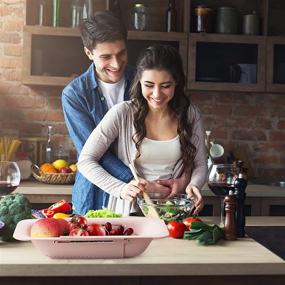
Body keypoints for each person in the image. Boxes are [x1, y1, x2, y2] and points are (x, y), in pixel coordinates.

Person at [62, 12, 185, 215]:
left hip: (147, 196)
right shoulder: (74, 94)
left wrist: (180, 180)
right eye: (106, 57)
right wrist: (137, 182)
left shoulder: (144, 80)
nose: (117, 64)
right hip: (97, 192)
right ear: (88, 53)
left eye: (121, 53)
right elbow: (92, 154)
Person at [78, 44, 208, 216]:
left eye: (165, 86)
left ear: (177, 82)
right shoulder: (122, 113)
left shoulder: (190, 114)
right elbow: (85, 161)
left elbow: (200, 164)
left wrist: (193, 185)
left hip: (174, 212)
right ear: (139, 81)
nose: (157, 94)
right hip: (129, 211)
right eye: (149, 85)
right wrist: (122, 189)